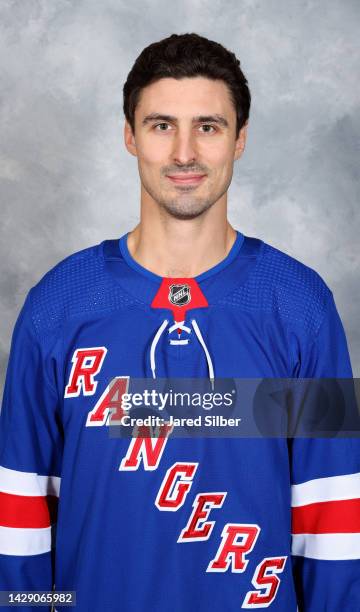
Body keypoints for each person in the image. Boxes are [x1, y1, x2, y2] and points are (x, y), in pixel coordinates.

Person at [0, 33, 359, 611]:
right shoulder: (57, 307)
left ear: (240, 139)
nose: (185, 153)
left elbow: (332, 519)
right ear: (130, 135)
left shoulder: (301, 307)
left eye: (209, 127)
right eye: (162, 125)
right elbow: (18, 517)